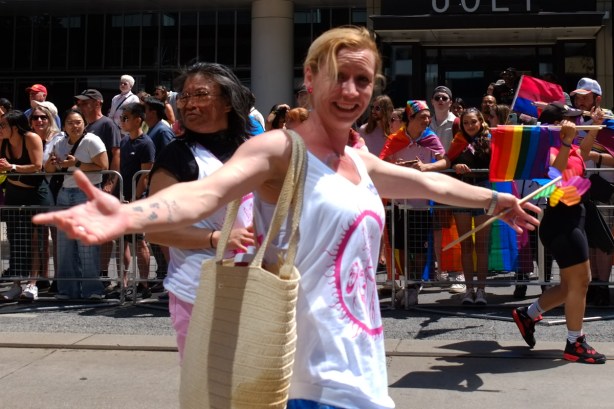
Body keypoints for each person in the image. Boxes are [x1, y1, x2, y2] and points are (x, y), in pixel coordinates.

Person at [35, 26, 540, 408]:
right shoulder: (279, 148)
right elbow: (206, 194)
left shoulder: (358, 160)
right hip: (307, 377)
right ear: (310, 78)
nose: (350, 90)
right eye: (338, 77)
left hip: (363, 368)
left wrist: (493, 201)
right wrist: (130, 214)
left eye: (362, 80)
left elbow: (429, 182)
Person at [146, 62, 255, 358]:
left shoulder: (253, 149)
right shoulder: (178, 155)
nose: (189, 104)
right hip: (198, 291)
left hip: (256, 287)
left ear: (228, 102)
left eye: (201, 95)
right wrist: (215, 238)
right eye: (184, 96)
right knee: (209, 389)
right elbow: (156, 229)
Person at [512, 103, 606, 364]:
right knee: (580, 282)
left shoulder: (571, 145)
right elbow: (555, 175)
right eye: (571, 119)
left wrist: (593, 128)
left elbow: (583, 152)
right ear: (557, 124)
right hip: (562, 219)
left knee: (571, 285)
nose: (577, 121)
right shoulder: (549, 148)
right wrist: (565, 141)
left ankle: (528, 314)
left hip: (575, 217)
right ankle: (575, 342)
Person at [379, 100, 447, 305]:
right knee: (402, 246)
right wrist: (396, 166)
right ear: (410, 118)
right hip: (399, 202)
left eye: (428, 116)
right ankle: (409, 284)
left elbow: (446, 160)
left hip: (421, 201)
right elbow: (382, 161)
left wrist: (425, 167)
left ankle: (413, 286)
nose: (427, 120)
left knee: (419, 248)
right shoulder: (395, 138)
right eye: (422, 117)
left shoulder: (430, 137)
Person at [44, 109, 108, 300]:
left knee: (86, 246)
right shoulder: (60, 142)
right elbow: (49, 168)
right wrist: (53, 162)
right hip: (65, 194)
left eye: (78, 122)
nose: (75, 126)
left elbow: (104, 165)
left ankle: (93, 290)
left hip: (86, 194)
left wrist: (77, 164)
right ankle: (67, 291)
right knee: (65, 247)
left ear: (84, 124)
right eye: (71, 122)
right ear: (64, 126)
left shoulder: (92, 141)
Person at [444, 108, 493, 305]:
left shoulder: (490, 140)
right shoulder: (457, 141)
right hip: (462, 191)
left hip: (483, 192)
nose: (470, 126)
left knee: (481, 244)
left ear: (481, 121)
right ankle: (468, 289)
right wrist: (455, 166)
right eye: (466, 123)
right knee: (466, 244)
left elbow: (496, 163)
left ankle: (481, 290)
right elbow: (449, 161)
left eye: (473, 122)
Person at [75, 89, 122, 289]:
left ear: (98, 103)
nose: (81, 106)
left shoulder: (107, 124)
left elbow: (116, 153)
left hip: (102, 185)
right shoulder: (86, 125)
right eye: (80, 103)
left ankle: (103, 274)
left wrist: (110, 183)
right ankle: (92, 273)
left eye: (86, 103)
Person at [112, 102, 155, 300]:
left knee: (139, 242)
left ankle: (144, 283)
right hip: (123, 199)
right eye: (122, 118)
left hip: (137, 201)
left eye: (126, 117)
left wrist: (135, 199)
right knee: (123, 242)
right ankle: (125, 281)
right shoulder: (124, 141)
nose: (123, 121)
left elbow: (145, 175)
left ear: (138, 119)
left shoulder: (146, 143)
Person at [0, 110, 44, 301]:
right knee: (15, 240)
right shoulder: (3, 142)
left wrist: (13, 167)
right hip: (12, 194)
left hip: (33, 194)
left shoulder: (31, 138)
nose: (0, 128)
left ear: (14, 127)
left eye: (3, 125)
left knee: (33, 240)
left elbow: (37, 166)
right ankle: (16, 284)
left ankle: (32, 284)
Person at [28, 102, 62, 295]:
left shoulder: (58, 138)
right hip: (35, 191)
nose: (39, 120)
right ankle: (42, 278)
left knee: (55, 237)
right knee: (37, 237)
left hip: (55, 189)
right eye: (35, 117)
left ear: (50, 119)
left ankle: (57, 279)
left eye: (43, 117)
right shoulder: (29, 138)